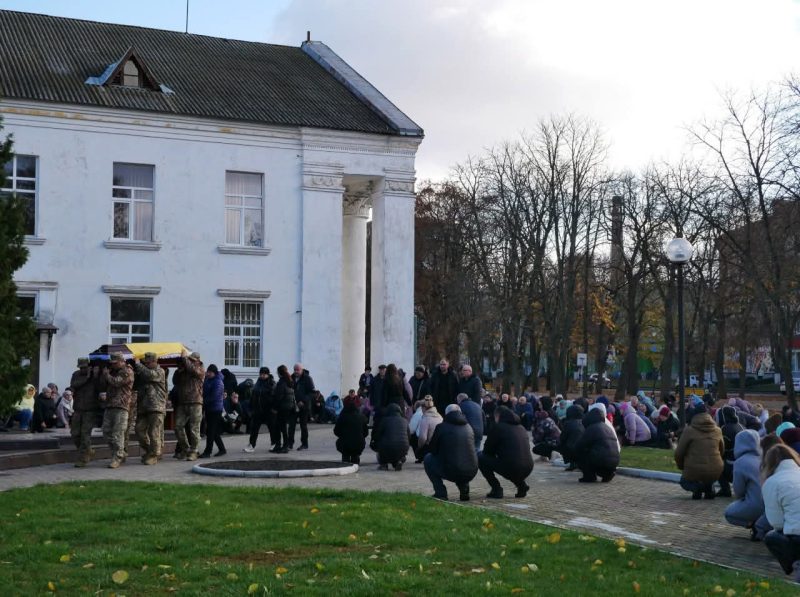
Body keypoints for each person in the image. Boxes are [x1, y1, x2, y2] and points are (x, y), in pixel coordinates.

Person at [424, 404, 479, 501]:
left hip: (450, 470)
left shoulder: (441, 427)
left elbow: (432, 449)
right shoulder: (469, 427)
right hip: (471, 470)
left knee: (428, 459)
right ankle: (464, 489)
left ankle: (440, 492)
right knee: (461, 461)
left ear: (446, 414)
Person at [762, 444, 800, 581]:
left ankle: (794, 566)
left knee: (772, 537)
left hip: (797, 536)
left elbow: (776, 523)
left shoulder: (772, 482)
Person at [479, 405, 534, 498]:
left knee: (480, 458)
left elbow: (487, 451)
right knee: (513, 464)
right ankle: (522, 486)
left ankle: (496, 489)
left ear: (498, 416)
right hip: (528, 466)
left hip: (511, 466)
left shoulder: (498, 427)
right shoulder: (521, 427)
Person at [724, 429, 769, 540]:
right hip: (770, 506)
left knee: (729, 513)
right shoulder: (765, 458)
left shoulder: (741, 462)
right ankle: (763, 525)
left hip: (755, 505)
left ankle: (754, 524)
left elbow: (739, 491)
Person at [674, 404, 724, 499]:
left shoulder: (689, 431)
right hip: (716, 470)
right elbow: (722, 450)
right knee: (708, 475)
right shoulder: (718, 430)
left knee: (683, 481)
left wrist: (681, 467)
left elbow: (679, 453)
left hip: (694, 470)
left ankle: (698, 488)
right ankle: (709, 488)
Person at [132, 352, 167, 465]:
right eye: (144, 363)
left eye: (148, 363)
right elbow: (135, 385)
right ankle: (150, 450)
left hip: (156, 406)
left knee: (154, 432)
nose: (146, 364)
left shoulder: (159, 371)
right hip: (144, 407)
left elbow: (150, 375)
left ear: (154, 361)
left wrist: (138, 365)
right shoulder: (143, 372)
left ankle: (154, 455)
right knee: (139, 430)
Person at [100, 353, 134, 468]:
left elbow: (116, 382)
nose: (113, 365)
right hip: (110, 405)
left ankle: (117, 457)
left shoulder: (127, 371)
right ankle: (120, 453)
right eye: (112, 364)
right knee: (106, 432)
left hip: (121, 406)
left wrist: (107, 375)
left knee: (117, 434)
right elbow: (103, 384)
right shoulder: (113, 372)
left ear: (121, 361)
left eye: (115, 363)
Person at [575, 403, 620, 483]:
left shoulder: (592, 428)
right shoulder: (607, 427)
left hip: (600, 461)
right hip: (615, 461)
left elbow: (580, 445)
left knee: (581, 454)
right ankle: (608, 474)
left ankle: (589, 476)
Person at [172, 351, 205, 461]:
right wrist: (179, 370)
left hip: (195, 401)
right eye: (188, 360)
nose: (188, 361)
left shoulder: (200, 368)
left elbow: (194, 371)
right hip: (183, 402)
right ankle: (186, 449)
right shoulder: (185, 369)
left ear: (197, 361)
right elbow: (175, 381)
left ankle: (194, 451)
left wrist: (185, 359)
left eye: (191, 360)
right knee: (178, 426)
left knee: (194, 428)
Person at [70, 359, 99, 466]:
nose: (83, 369)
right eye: (81, 367)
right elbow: (74, 384)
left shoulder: (94, 376)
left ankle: (83, 458)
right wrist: (86, 378)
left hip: (90, 409)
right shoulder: (76, 375)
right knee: (74, 434)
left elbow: (101, 386)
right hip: (78, 408)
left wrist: (95, 376)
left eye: (85, 367)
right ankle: (88, 450)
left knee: (85, 434)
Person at [244, 367, 275, 453]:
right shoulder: (258, 382)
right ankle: (251, 444)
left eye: (264, 374)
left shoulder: (271, 383)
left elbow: (273, 396)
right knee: (254, 428)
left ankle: (274, 443)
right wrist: (251, 406)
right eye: (261, 374)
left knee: (272, 428)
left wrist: (272, 407)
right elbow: (253, 394)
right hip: (257, 410)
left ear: (268, 374)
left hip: (268, 410)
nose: (262, 376)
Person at [371, 403, 409, 471]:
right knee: (397, 453)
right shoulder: (405, 421)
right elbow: (409, 436)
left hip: (387, 448)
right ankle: (398, 461)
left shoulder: (385, 420)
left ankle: (384, 464)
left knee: (384, 451)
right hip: (403, 448)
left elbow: (377, 435)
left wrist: (375, 443)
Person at [200, 364, 226, 458]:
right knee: (213, 431)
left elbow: (214, 397)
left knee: (210, 431)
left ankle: (208, 452)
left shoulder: (218, 382)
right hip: (209, 408)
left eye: (210, 372)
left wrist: (202, 402)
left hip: (215, 409)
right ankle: (222, 449)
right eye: (208, 372)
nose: (208, 373)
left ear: (214, 373)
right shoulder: (208, 380)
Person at [718, 405, 744, 497]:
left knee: (716, 465)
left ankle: (725, 489)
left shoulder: (725, 429)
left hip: (731, 462)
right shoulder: (740, 426)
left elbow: (723, 448)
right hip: (742, 460)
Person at [334, 394, 368, 464]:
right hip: (358, 444)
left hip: (345, 444)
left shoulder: (342, 417)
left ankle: (345, 463)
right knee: (355, 453)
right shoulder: (362, 417)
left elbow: (336, 431)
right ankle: (356, 462)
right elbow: (366, 433)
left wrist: (343, 436)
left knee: (345, 452)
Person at [290, 363, 315, 451]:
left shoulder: (307, 379)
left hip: (304, 406)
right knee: (291, 425)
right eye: (295, 370)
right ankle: (290, 443)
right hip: (293, 406)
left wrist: (303, 401)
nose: (296, 371)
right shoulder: (291, 378)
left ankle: (304, 444)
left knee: (303, 426)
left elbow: (312, 393)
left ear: (302, 369)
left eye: (298, 370)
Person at [271, 365, 295, 453]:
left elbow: (279, 397)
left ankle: (283, 446)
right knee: (281, 427)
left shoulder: (282, 382)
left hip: (282, 408)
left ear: (279, 373)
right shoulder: (289, 381)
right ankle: (281, 445)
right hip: (289, 407)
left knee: (281, 427)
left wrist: (274, 408)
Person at [559, 404, 585, 471]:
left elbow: (562, 438)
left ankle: (573, 463)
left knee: (563, 444)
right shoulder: (585, 422)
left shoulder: (568, 423)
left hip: (571, 449)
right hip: (583, 449)